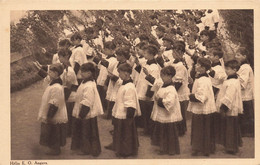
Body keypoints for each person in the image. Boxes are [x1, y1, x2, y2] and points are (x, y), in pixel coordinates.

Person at [106, 63, 141, 157]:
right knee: (119, 131)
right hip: (120, 111)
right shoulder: (124, 83)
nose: (119, 75)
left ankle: (126, 151)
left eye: (120, 73)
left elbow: (130, 103)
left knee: (126, 133)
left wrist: (129, 118)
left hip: (125, 115)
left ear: (126, 73)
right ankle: (118, 146)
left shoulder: (129, 87)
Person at [71, 62, 103, 156]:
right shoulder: (85, 81)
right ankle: (85, 148)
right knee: (85, 131)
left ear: (89, 73)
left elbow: (87, 102)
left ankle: (87, 149)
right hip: (84, 111)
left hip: (87, 113)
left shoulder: (89, 85)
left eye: (83, 71)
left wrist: (81, 114)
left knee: (86, 132)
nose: (81, 73)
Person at [187, 57, 216, 156]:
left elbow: (201, 96)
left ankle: (200, 148)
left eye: (198, 65)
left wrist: (190, 96)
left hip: (202, 108)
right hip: (204, 108)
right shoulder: (201, 77)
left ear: (203, 68)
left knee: (200, 128)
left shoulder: (203, 80)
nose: (196, 65)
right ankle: (205, 147)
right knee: (204, 128)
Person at [37, 63, 68, 155]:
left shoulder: (57, 87)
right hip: (52, 111)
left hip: (55, 113)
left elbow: (54, 103)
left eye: (50, 71)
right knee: (52, 130)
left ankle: (55, 149)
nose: (48, 73)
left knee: (54, 130)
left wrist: (50, 115)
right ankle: (53, 147)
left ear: (56, 73)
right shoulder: (54, 83)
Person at [151, 66, 182, 155]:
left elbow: (169, 102)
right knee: (163, 131)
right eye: (161, 75)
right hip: (162, 113)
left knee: (169, 132)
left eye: (164, 75)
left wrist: (159, 100)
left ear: (170, 76)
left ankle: (171, 149)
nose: (162, 77)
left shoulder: (171, 89)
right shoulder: (163, 85)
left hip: (168, 114)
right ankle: (163, 147)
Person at [216, 60, 243, 154]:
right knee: (229, 127)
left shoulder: (232, 82)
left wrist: (223, 108)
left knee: (230, 128)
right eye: (225, 68)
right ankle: (230, 146)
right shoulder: (231, 80)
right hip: (230, 107)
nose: (226, 71)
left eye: (228, 69)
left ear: (235, 70)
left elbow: (229, 96)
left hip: (230, 108)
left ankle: (231, 148)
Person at [135, 44, 161, 135]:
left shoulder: (154, 67)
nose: (144, 54)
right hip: (141, 88)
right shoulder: (146, 63)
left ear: (151, 54)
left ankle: (149, 130)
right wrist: (137, 64)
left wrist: (148, 95)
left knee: (148, 112)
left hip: (147, 91)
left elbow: (152, 83)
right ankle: (145, 128)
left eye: (145, 53)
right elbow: (141, 73)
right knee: (144, 111)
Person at [207, 50, 227, 144]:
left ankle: (217, 135)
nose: (209, 56)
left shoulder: (219, 68)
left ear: (216, 57)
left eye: (210, 54)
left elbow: (222, 78)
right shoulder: (212, 65)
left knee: (215, 113)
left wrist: (212, 72)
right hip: (210, 89)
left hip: (216, 91)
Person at [58, 49, 78, 137]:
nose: (59, 58)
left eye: (60, 57)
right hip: (65, 92)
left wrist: (64, 98)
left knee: (68, 114)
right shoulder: (63, 67)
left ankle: (69, 132)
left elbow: (69, 85)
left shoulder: (69, 70)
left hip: (70, 94)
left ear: (65, 57)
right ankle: (67, 131)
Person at [235, 47, 254, 137]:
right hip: (243, 95)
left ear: (244, 56)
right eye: (236, 54)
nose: (236, 57)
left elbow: (243, 83)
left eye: (238, 55)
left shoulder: (245, 67)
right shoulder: (242, 67)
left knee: (246, 114)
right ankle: (245, 131)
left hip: (245, 95)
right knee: (244, 114)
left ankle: (248, 132)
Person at [93, 41, 118, 112]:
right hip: (100, 80)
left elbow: (108, 68)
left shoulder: (114, 60)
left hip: (105, 81)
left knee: (105, 96)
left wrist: (106, 83)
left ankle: (106, 111)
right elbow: (99, 68)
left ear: (111, 50)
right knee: (100, 96)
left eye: (106, 49)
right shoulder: (105, 58)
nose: (104, 51)